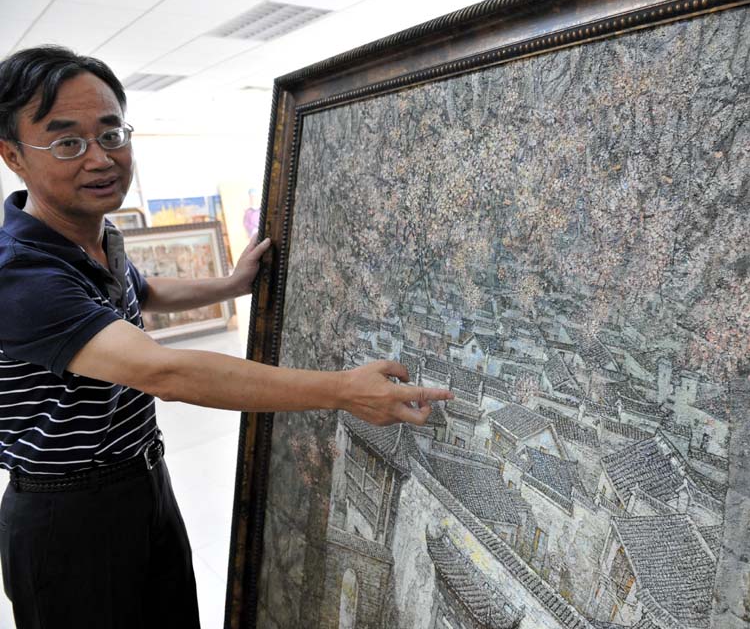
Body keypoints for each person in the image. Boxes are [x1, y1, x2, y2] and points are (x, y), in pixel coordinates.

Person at [0, 45, 452, 629]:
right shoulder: (19, 273)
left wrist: (231, 284)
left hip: (142, 480)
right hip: (68, 513)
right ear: (12, 154)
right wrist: (343, 390)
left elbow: (143, 290)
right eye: (67, 142)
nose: (100, 158)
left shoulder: (92, 237)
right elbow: (165, 371)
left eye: (112, 134)